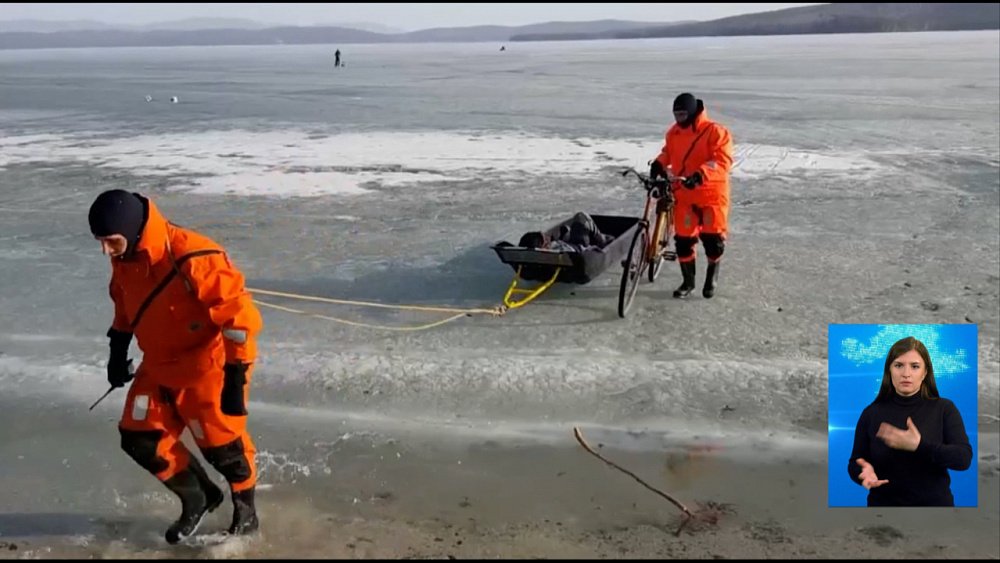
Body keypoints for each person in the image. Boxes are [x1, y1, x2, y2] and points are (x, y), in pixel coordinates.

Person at [88, 189, 264, 543]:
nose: (105, 251)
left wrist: (236, 378)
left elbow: (240, 322)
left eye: (111, 241)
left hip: (206, 369)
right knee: (139, 438)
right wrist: (117, 349)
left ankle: (246, 512)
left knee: (224, 450)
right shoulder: (126, 256)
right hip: (158, 365)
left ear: (133, 229)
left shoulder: (195, 256)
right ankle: (198, 496)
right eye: (100, 242)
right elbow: (124, 302)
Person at [847, 336, 972, 506]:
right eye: (899, 365)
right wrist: (862, 472)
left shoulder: (944, 408)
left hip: (935, 512)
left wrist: (918, 446)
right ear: (889, 370)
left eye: (915, 366)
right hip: (883, 511)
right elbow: (856, 461)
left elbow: (963, 459)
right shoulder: (871, 413)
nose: (906, 374)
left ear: (925, 372)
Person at [649, 93, 734, 299]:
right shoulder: (674, 133)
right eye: (676, 114)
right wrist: (659, 163)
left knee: (713, 241)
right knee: (684, 241)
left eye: (683, 114)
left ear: (693, 111)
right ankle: (688, 282)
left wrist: (701, 175)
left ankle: (712, 276)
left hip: (711, 196)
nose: (679, 119)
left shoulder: (715, 132)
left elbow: (722, 161)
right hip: (684, 195)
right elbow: (668, 152)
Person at [518, 212, 614, 252]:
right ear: (545, 245)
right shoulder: (559, 252)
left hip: (567, 244)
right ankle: (601, 239)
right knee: (581, 216)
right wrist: (596, 248)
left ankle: (566, 233)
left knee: (565, 229)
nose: (547, 237)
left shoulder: (550, 249)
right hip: (578, 245)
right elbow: (582, 251)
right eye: (545, 237)